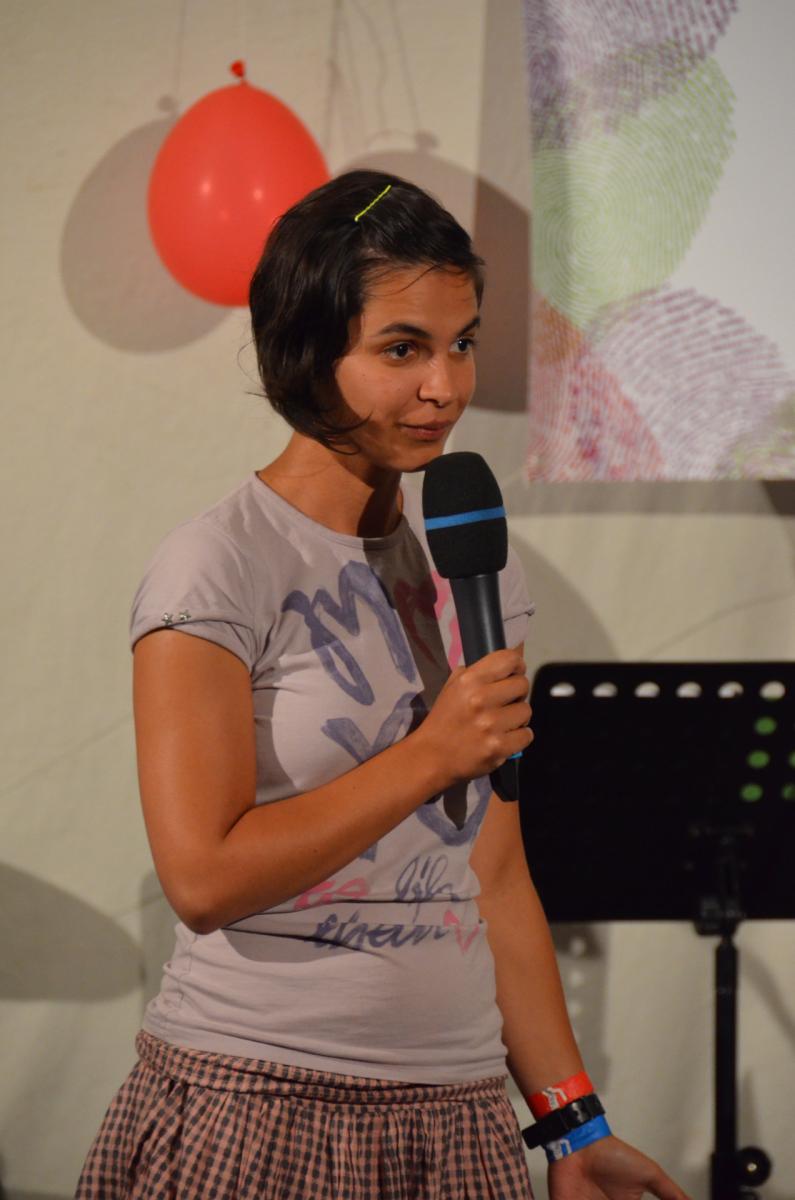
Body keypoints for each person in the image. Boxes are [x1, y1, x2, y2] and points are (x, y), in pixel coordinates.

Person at [76, 170, 690, 1200]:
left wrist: (573, 1126)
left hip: (457, 1111)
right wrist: (431, 754)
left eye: (462, 343)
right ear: (307, 351)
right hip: (259, 1102)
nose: (444, 387)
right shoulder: (217, 566)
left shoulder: (476, 563)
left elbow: (493, 875)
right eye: (402, 349)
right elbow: (204, 878)